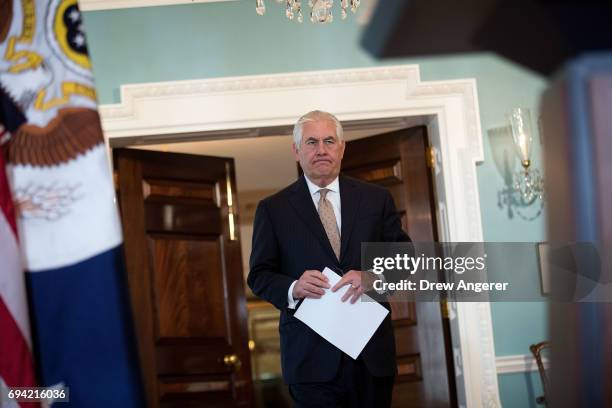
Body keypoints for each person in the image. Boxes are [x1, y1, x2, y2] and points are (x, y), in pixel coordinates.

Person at [247, 110, 410, 407]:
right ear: (297, 151)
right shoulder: (272, 209)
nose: (321, 150)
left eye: (328, 141)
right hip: (310, 363)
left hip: (371, 356)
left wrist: (371, 277)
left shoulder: (376, 198)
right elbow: (259, 275)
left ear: (342, 147)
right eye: (311, 142)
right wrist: (293, 287)